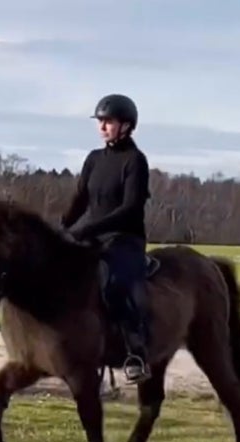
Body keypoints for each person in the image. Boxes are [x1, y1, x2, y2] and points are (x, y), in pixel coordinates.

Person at [61, 93, 152, 384]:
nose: (102, 127)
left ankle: (135, 352)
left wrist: (89, 229)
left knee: (114, 284)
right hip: (93, 236)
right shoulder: (94, 159)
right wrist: (61, 227)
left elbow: (130, 208)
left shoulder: (135, 161)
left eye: (108, 121)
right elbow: (80, 198)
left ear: (126, 125)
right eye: (100, 121)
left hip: (125, 238)